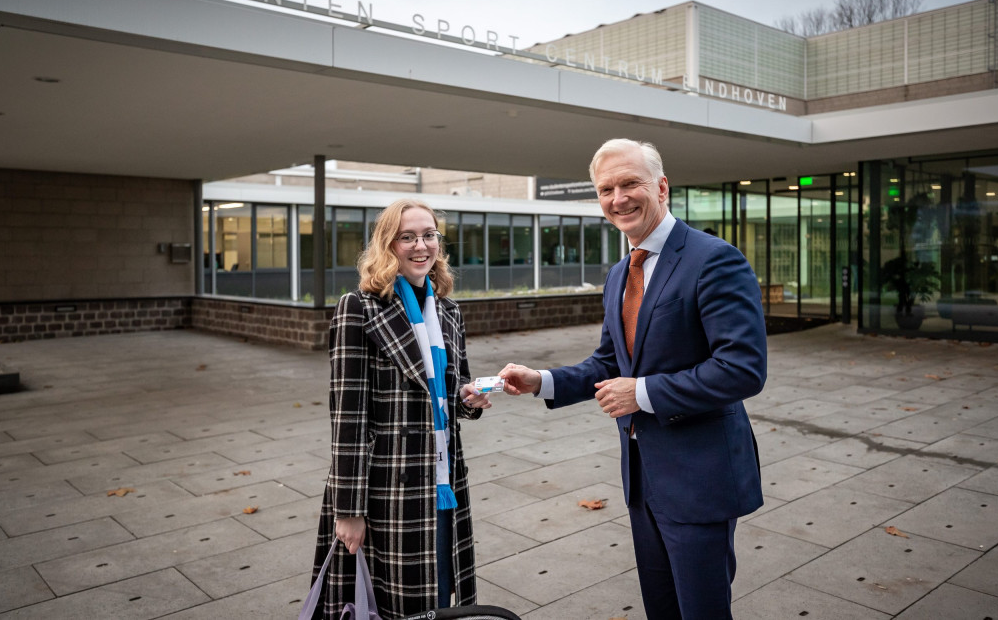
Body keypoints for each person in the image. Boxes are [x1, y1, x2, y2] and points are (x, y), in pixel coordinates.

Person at [499, 139, 766, 620]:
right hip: (643, 478)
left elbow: (741, 368)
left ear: (662, 187)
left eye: (630, 184)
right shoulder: (621, 271)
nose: (618, 198)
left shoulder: (714, 259)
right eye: (606, 189)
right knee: (661, 609)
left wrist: (641, 393)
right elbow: (609, 361)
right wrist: (541, 380)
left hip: (700, 478)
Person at [310, 199, 490, 619]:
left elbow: (453, 391)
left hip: (444, 482)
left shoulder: (447, 310)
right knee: (395, 606)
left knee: (441, 597)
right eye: (407, 236)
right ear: (387, 244)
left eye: (428, 235)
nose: (420, 245)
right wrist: (348, 509)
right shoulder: (359, 308)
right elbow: (348, 419)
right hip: (387, 489)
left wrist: (470, 399)